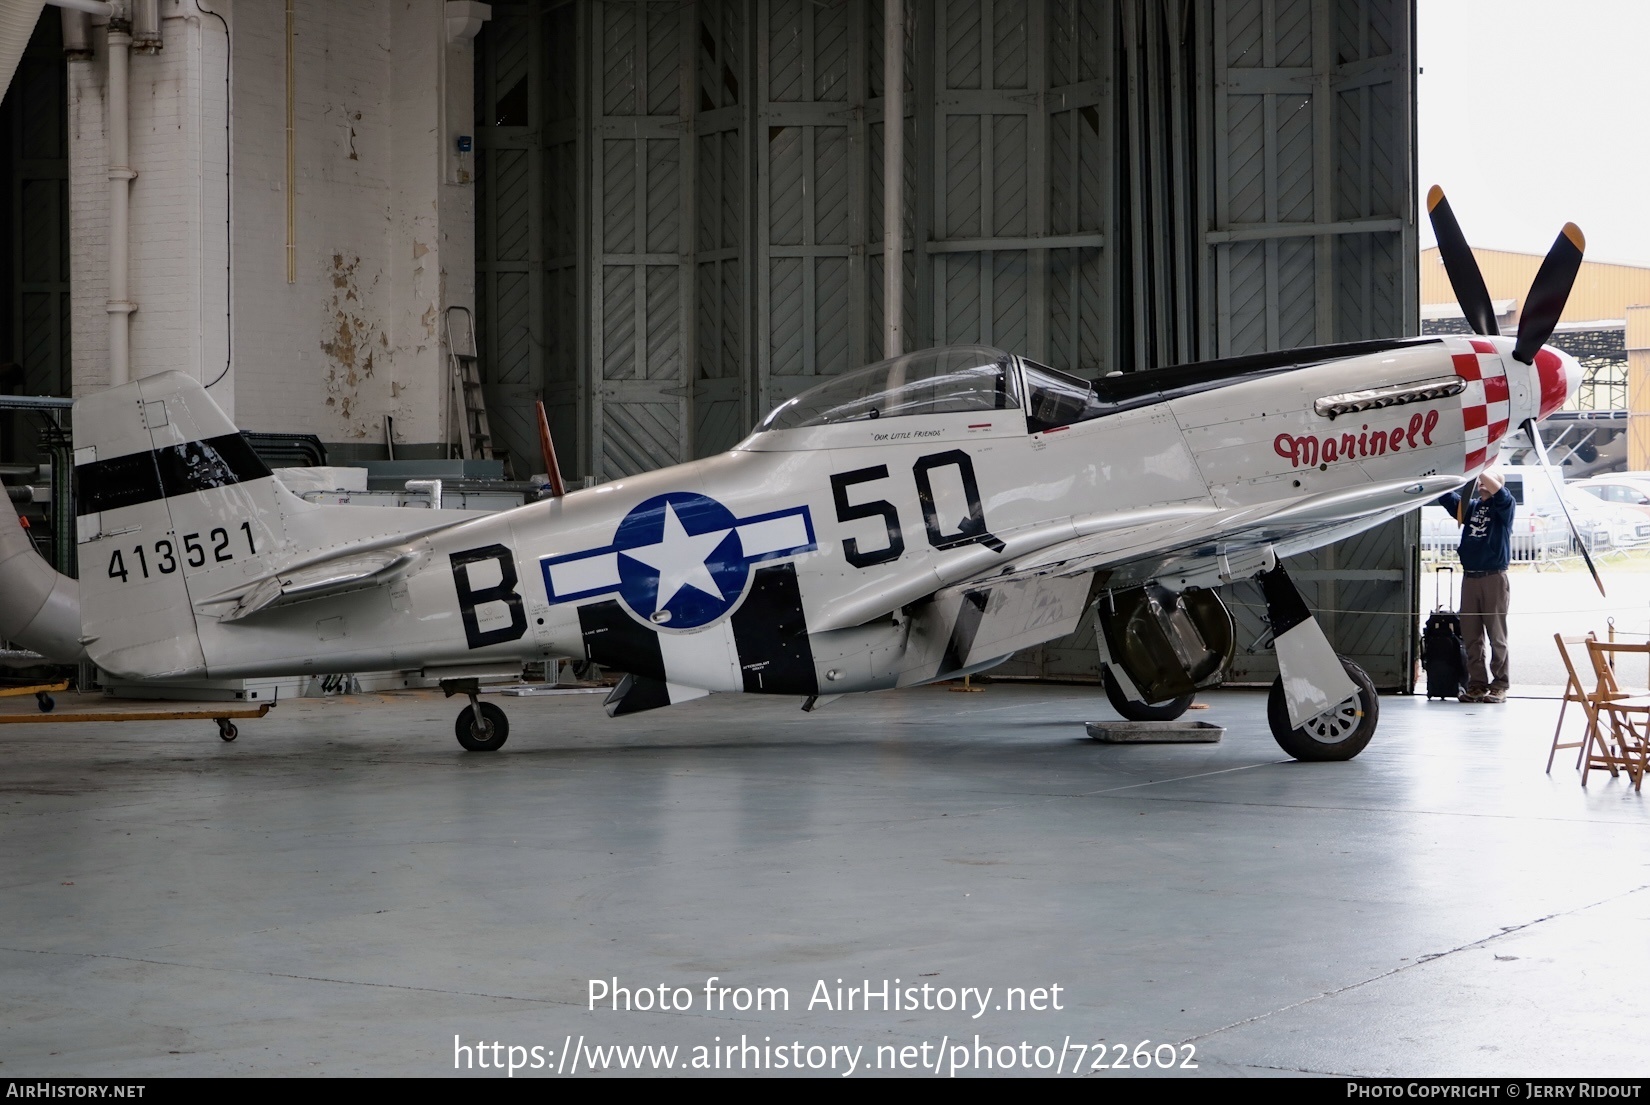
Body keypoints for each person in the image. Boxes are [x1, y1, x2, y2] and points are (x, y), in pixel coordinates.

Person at [1433, 466, 1515, 703]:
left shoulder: (1504, 507)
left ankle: (1500, 684)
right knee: (1471, 635)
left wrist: (1479, 467)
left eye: (1487, 480)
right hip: (1470, 577)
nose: (1481, 483)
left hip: (1493, 577)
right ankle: (1477, 684)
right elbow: (1447, 498)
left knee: (1496, 635)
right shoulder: (1472, 507)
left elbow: (1499, 491)